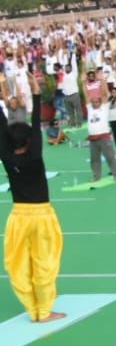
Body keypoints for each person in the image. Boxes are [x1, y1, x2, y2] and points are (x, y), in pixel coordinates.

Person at [2, 72, 65, 323]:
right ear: (29, 140)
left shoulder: (6, 157)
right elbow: (37, 121)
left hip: (17, 217)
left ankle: (33, 309)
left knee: (18, 265)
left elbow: (1, 131)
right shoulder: (35, 154)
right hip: (41, 216)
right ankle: (45, 310)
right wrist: (36, 92)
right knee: (45, 262)